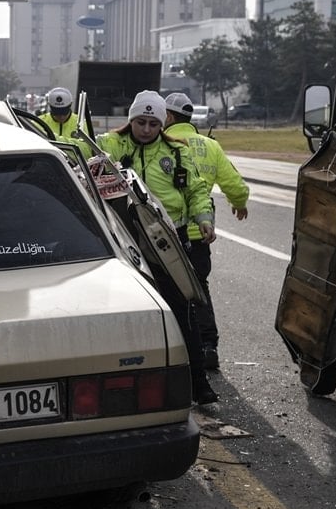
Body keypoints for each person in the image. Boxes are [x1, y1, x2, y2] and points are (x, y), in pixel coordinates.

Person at [97, 90, 219, 404]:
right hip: (124, 242)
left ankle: (198, 383)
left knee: (184, 311)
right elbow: (87, 150)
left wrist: (204, 218)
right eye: (141, 122)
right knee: (129, 314)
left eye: (153, 123)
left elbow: (196, 189)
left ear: (162, 122)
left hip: (167, 242)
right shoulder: (112, 143)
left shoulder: (176, 152)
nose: (147, 129)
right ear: (131, 120)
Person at [163, 92, 250, 370]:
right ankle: (208, 347)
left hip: (165, 235)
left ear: (168, 116)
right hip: (200, 234)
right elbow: (233, 182)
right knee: (199, 289)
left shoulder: (160, 143)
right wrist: (240, 203)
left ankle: (173, 350)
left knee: (164, 291)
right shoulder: (210, 146)